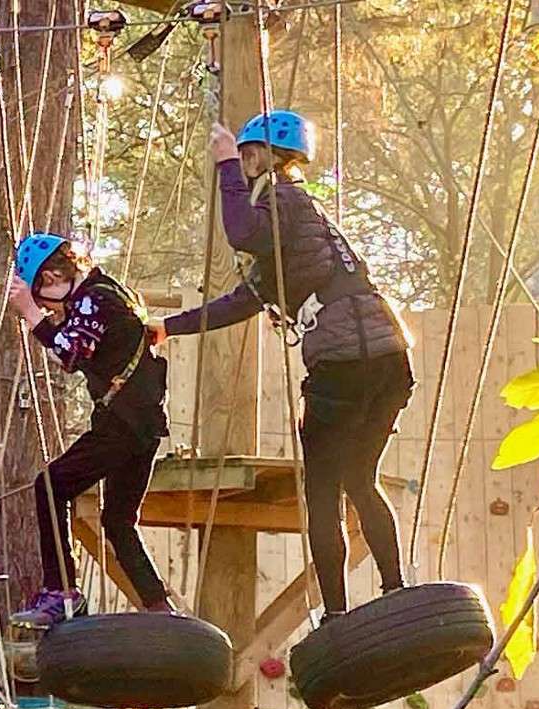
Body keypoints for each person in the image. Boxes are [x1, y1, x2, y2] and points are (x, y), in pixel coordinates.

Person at [150, 111, 415, 624]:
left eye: (252, 154)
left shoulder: (284, 200)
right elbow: (239, 302)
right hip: (388, 360)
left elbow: (241, 233)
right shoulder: (300, 227)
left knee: (321, 490)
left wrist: (225, 164)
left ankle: (336, 614)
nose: (245, 163)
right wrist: (170, 326)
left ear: (277, 159)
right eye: (243, 155)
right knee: (360, 478)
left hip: (344, 363)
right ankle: (396, 588)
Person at [5, 232, 176, 628]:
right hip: (141, 424)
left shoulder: (95, 299)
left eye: (45, 297)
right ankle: (160, 608)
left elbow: (70, 352)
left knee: (50, 484)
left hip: (124, 424)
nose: (50, 309)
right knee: (117, 521)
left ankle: (61, 591)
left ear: (51, 279)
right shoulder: (109, 293)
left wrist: (32, 315)